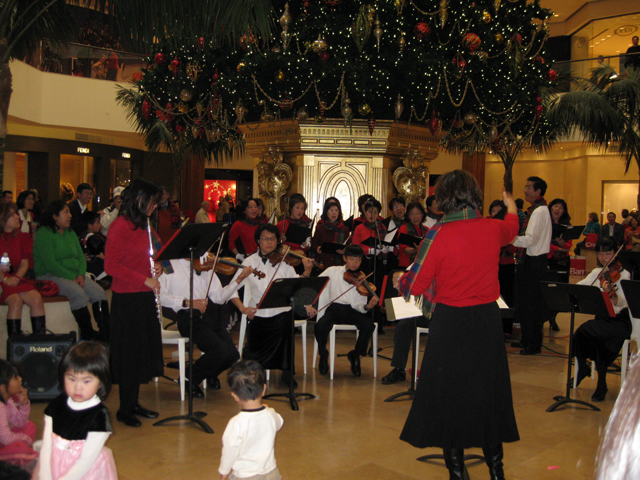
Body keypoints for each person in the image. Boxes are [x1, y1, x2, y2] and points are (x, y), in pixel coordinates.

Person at [398, 170, 519, 480]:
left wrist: (402, 279)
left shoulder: (438, 234)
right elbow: (513, 228)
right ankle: (496, 470)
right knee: (487, 394)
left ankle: (457, 473)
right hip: (487, 322)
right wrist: (511, 204)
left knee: (448, 396)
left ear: (444, 199)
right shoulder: (493, 228)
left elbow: (416, 284)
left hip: (451, 322)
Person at [104, 178, 164, 428]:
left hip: (142, 296)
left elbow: (150, 255)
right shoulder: (120, 226)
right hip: (127, 298)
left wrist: (157, 267)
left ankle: (134, 403)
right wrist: (144, 280)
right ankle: (124, 409)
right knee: (128, 355)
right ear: (139, 200)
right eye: (152, 202)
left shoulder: (143, 226)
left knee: (140, 353)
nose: (154, 207)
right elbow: (111, 266)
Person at [230, 224, 313, 388]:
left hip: (281, 313)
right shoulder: (249, 262)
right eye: (265, 239)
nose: (269, 242)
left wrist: (308, 271)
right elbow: (232, 289)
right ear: (258, 241)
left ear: (278, 241)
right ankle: (254, 371)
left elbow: (297, 285)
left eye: (273, 239)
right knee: (251, 349)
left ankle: (287, 373)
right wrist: (243, 308)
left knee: (285, 323)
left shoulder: (284, 262)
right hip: (258, 314)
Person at [158, 258, 254, 397]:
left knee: (233, 354)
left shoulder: (206, 265)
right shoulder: (169, 265)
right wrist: (187, 302)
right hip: (187, 316)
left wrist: (239, 280)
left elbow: (219, 298)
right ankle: (188, 378)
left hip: (208, 315)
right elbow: (160, 296)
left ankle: (210, 372)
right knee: (220, 351)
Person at [35, 341, 117, 480]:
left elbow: (86, 460)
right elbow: (47, 444)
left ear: (100, 382)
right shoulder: (56, 405)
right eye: (72, 379)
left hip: (84, 472)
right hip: (54, 465)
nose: (78, 387)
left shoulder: (99, 415)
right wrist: (44, 474)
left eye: (86, 381)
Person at [34, 201, 107, 341]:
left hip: (73, 274)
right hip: (50, 275)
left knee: (99, 292)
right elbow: (50, 264)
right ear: (55, 216)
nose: (70, 215)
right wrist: (71, 277)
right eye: (66, 212)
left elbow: (80, 257)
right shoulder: (44, 233)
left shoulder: (70, 232)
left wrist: (80, 274)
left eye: (69, 212)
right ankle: (88, 334)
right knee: (78, 293)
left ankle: (106, 334)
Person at [573, 238, 631, 402]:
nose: (604, 258)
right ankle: (584, 368)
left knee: (594, 334)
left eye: (608, 253)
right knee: (580, 333)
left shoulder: (624, 274)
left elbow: (622, 302)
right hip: (601, 319)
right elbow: (580, 286)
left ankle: (602, 383)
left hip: (619, 321)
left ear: (615, 253)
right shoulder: (596, 273)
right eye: (600, 254)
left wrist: (611, 293)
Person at [311, 245, 378, 377]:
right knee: (320, 326)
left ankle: (355, 355)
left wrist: (368, 306)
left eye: (358, 260)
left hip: (352, 311)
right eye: (352, 259)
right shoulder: (332, 271)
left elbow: (359, 306)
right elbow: (316, 283)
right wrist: (311, 304)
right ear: (344, 258)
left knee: (368, 326)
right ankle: (323, 354)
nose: (355, 263)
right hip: (334, 308)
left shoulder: (361, 278)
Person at [219, 360, 283, 480]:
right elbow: (279, 423)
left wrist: (224, 472)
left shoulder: (236, 423)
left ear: (235, 396)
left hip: (245, 476)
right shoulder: (271, 414)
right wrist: (268, 409)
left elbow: (229, 451)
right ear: (264, 389)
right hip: (271, 473)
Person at [512, 176, 552, 355]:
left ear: (538, 192)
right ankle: (527, 339)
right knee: (525, 303)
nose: (525, 190)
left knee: (531, 305)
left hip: (534, 262)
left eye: (529, 187)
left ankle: (533, 343)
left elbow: (529, 240)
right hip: (530, 261)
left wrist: (508, 238)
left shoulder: (540, 211)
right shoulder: (535, 209)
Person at [0, 203, 47, 336]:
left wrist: (16, 278)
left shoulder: (21, 237)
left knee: (36, 298)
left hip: (16, 277)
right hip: (1, 279)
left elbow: (24, 263)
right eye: (13, 215)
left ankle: (40, 341)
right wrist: (5, 278)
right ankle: (15, 344)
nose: (17, 217)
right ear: (3, 219)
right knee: (15, 301)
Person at [380, 270, 430, 385]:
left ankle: (435, 371)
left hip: (439, 311)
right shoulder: (413, 274)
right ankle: (399, 369)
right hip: (422, 312)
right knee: (403, 326)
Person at [0, 360, 37, 471]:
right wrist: (24, 439)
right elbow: (6, 438)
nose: (20, 379)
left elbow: (20, 423)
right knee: (19, 447)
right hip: (4, 442)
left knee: (30, 426)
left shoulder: (9, 400)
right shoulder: (0, 406)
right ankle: (27, 456)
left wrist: (24, 404)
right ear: (2, 387)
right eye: (15, 378)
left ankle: (22, 454)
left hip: (4, 439)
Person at [310, 197, 349, 270]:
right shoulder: (320, 227)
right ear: (326, 212)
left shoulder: (345, 229)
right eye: (331, 210)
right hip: (323, 264)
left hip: (339, 264)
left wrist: (345, 251)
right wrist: (317, 249)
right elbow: (313, 245)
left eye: (336, 210)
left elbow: (349, 247)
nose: (334, 213)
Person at [80, 212, 111, 290]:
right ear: (89, 225)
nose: (99, 225)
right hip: (99, 272)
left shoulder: (82, 237)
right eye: (97, 223)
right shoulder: (92, 239)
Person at [397, 201, 428, 268]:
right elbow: (405, 250)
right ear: (408, 216)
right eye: (412, 213)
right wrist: (418, 248)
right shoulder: (403, 228)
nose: (415, 216)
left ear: (422, 214)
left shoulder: (426, 230)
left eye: (418, 213)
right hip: (406, 265)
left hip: (423, 265)